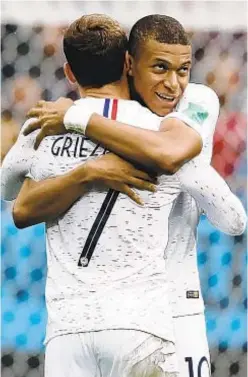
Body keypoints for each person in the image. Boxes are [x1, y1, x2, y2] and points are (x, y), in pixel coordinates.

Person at [1, 14, 246, 377]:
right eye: (160, 68)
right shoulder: (156, 135)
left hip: (70, 327)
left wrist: (77, 126)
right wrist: (92, 170)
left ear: (70, 73)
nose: (173, 85)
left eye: (182, 71)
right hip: (146, 320)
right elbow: (233, 218)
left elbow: (11, 194)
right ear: (129, 65)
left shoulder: (48, 123)